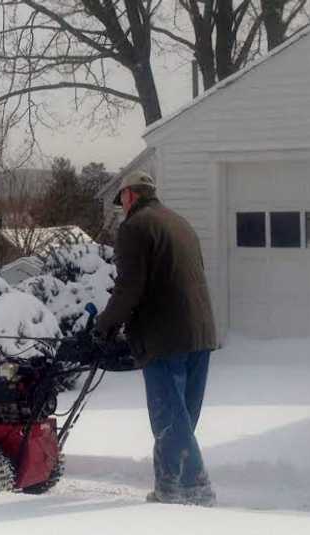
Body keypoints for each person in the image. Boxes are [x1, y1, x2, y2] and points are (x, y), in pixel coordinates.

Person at [95, 170, 217, 506]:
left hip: (165, 337)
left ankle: (195, 488)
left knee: (170, 418)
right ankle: (170, 486)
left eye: (122, 201)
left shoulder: (135, 228)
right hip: (201, 332)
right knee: (182, 418)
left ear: (130, 196)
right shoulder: (180, 223)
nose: (123, 208)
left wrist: (104, 324)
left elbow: (129, 287)